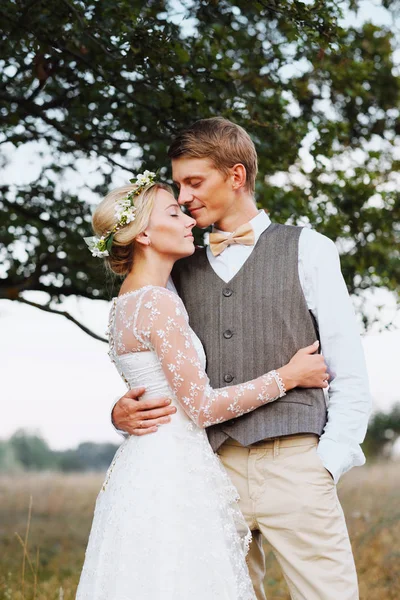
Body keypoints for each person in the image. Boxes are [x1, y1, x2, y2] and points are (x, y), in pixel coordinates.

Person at [112, 118, 372, 600]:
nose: (185, 197)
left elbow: (349, 371)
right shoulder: (174, 264)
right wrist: (119, 411)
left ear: (235, 176)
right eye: (178, 185)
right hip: (210, 473)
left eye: (195, 182)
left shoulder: (309, 249)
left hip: (295, 462)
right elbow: (148, 352)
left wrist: (327, 463)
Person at [76, 172, 329, 600]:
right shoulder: (156, 302)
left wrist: (119, 413)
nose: (190, 219)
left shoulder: (125, 302)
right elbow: (203, 407)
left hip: (144, 466)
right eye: (174, 213)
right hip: (175, 468)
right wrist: (288, 377)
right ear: (142, 234)